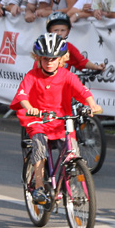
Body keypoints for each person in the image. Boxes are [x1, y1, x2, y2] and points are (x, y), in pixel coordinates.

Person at [10, 33, 102, 203]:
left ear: (62, 59)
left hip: (61, 121)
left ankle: (74, 188)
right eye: (45, 59)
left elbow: (82, 91)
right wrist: (30, 108)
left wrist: (92, 104)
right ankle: (38, 187)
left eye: (54, 59)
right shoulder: (33, 76)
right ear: (38, 58)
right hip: (39, 121)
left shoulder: (67, 76)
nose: (50, 62)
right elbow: (22, 95)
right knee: (39, 147)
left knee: (72, 151)